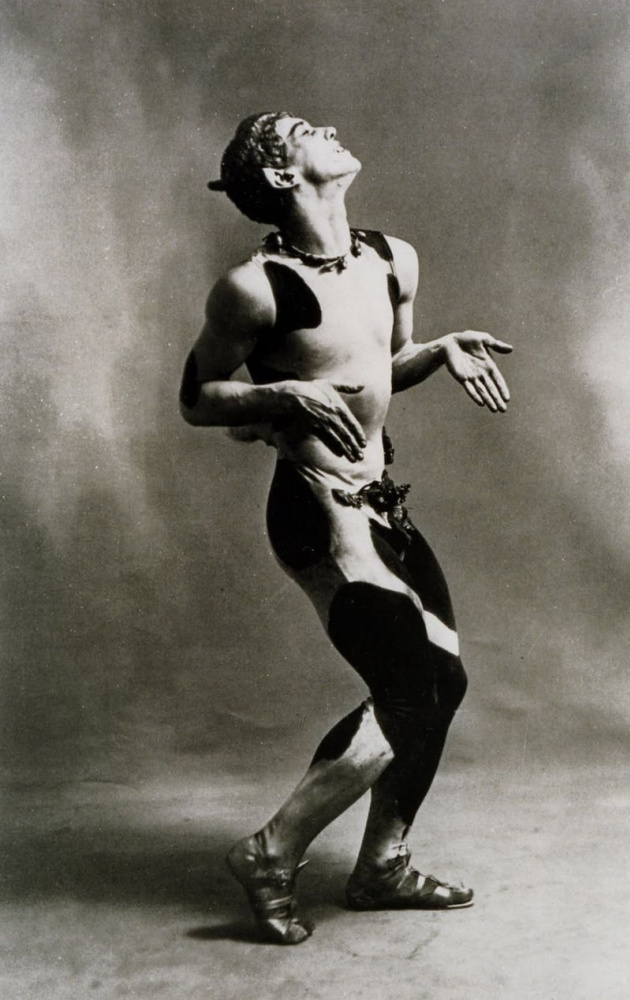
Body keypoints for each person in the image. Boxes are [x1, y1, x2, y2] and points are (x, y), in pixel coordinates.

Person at [180, 111, 512, 945]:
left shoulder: (392, 257)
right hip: (317, 510)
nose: (326, 127)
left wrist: (438, 351)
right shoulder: (253, 288)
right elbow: (197, 398)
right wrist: (280, 393)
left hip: (381, 502)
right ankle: (270, 851)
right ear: (282, 176)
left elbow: (375, 367)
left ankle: (381, 866)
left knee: (444, 684)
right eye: (302, 129)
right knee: (409, 689)